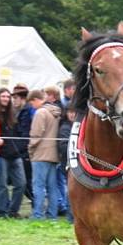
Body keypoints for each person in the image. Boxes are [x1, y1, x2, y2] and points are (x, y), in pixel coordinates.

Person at [27, 89, 61, 220]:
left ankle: (38, 214)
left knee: (39, 186)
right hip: (53, 155)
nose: (32, 106)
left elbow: (36, 134)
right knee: (52, 187)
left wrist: (30, 149)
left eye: (31, 103)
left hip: (40, 155)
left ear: (35, 100)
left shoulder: (40, 112)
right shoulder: (55, 112)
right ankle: (52, 215)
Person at [0, 88, 27, 218]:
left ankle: (13, 211)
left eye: (8, 97)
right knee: (1, 185)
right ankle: (2, 211)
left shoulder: (13, 114)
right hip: (1, 155)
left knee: (21, 183)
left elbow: (19, 133)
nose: (6, 99)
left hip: (15, 155)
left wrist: (18, 148)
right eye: (3, 96)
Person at [11, 84, 35, 211]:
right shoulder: (19, 111)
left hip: (24, 152)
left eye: (15, 97)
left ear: (22, 98)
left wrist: (18, 149)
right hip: (20, 151)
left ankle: (36, 204)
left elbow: (26, 134)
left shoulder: (27, 112)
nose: (14, 100)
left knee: (26, 182)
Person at [44, 86, 67, 216]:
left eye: (47, 94)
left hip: (54, 149)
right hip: (57, 149)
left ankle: (61, 204)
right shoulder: (61, 109)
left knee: (56, 181)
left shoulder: (50, 110)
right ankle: (61, 204)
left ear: (52, 96)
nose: (45, 97)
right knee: (59, 181)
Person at [58, 106, 76, 223]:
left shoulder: (79, 126)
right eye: (70, 112)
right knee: (70, 191)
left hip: (79, 164)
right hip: (69, 164)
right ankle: (71, 218)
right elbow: (62, 147)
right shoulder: (65, 128)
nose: (72, 114)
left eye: (74, 112)